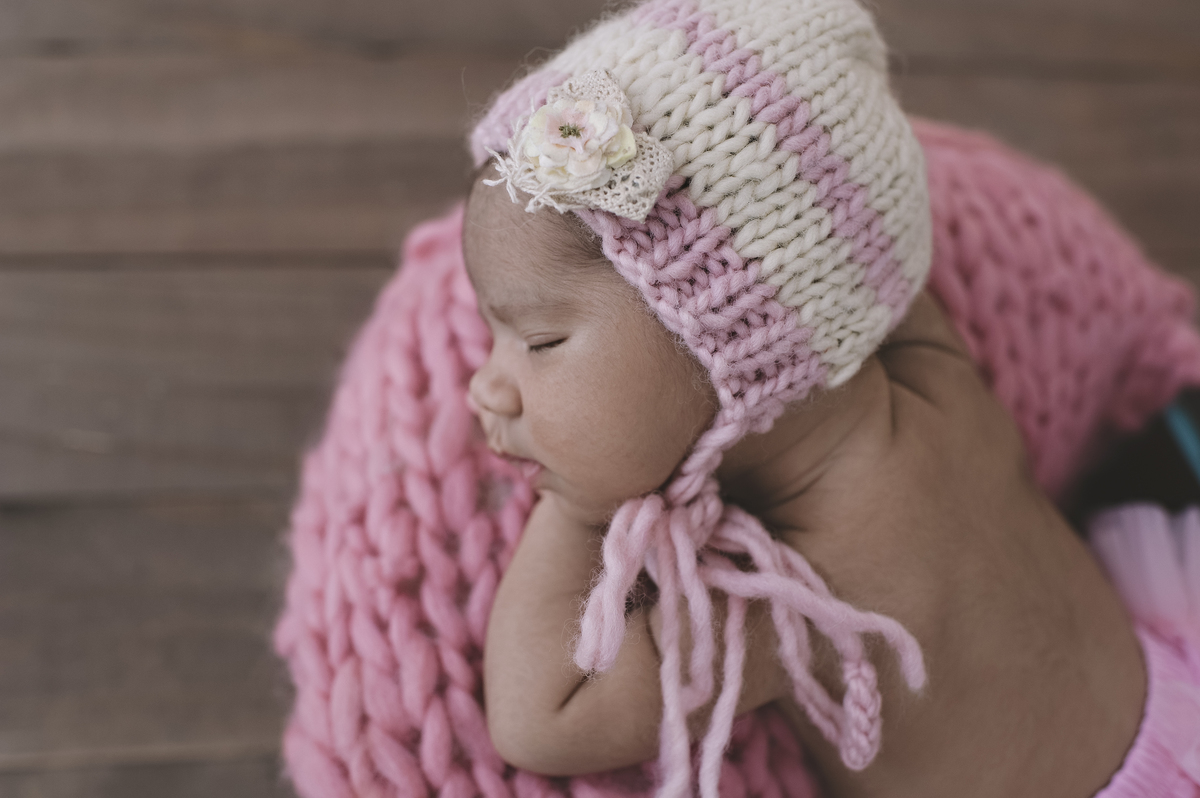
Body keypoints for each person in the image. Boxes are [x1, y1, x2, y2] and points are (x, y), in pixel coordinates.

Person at [462, 0, 1189, 795]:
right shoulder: (938, 382)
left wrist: (575, 504)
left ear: (730, 338)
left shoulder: (811, 593)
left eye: (539, 343)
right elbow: (852, 255)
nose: (483, 384)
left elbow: (541, 719)